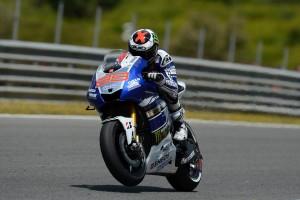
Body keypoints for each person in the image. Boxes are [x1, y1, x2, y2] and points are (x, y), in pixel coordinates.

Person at [128, 28, 187, 141]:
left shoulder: (163, 58)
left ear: (154, 49)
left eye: (144, 53)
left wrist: (159, 78)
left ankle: (180, 125)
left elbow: (173, 85)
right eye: (136, 53)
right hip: (139, 87)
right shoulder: (127, 58)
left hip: (159, 88)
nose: (139, 57)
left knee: (171, 94)